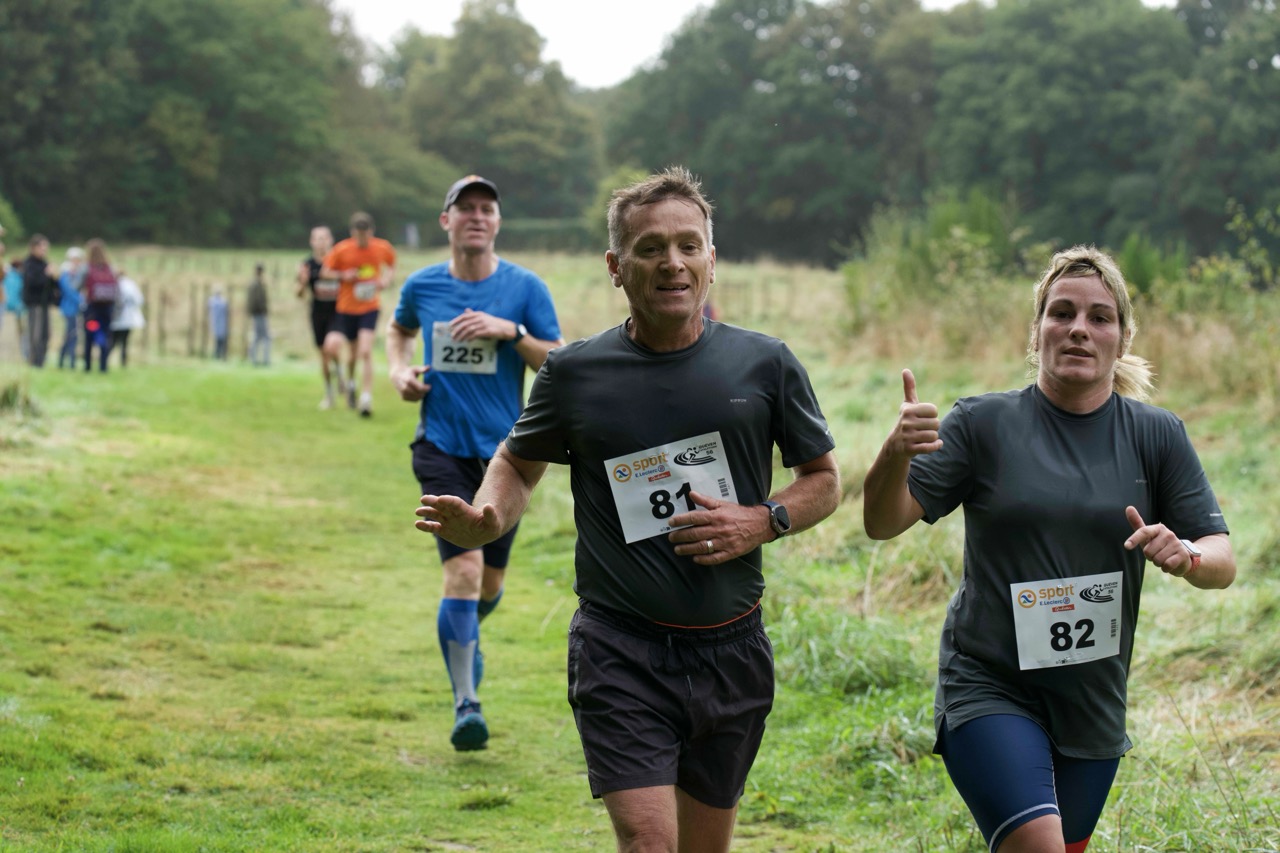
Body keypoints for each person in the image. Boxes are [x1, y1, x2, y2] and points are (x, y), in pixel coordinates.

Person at [414, 167, 841, 848]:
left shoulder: (765, 364)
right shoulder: (575, 373)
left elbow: (822, 479)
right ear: (616, 267)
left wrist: (763, 519)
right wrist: (489, 515)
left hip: (731, 650)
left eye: (688, 245)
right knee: (649, 843)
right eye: (650, 248)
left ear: (711, 260)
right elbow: (517, 463)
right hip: (619, 649)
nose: (672, 262)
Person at [861, 245, 1236, 853]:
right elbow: (883, 522)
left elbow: (1222, 561)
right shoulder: (982, 423)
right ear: (1036, 331)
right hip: (989, 683)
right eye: (1061, 313)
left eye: (1099, 317)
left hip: (1092, 702)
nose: (1079, 329)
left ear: (1123, 337)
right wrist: (895, 452)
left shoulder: (1157, 435)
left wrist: (1188, 554)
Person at [386, 175, 566, 752]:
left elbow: (559, 362)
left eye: (487, 208)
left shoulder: (525, 288)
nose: (477, 216)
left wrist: (510, 332)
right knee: (462, 573)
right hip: (440, 444)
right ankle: (467, 702)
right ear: (447, 221)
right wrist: (399, 371)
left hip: (506, 460)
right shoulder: (422, 284)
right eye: (465, 208)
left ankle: (463, 637)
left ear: (498, 222)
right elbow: (398, 330)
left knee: (488, 586)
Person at [322, 211, 396, 416]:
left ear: (371, 232)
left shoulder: (382, 247)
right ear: (352, 232)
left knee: (365, 350)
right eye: (358, 235)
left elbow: (391, 264)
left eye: (365, 235)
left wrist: (386, 280)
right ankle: (351, 382)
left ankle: (366, 398)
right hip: (346, 308)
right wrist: (343, 275)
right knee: (352, 355)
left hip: (370, 307)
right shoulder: (342, 249)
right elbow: (325, 272)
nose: (362, 239)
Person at [296, 225, 342, 408]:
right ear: (311, 242)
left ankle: (340, 372)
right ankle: (329, 394)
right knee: (323, 355)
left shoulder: (338, 261)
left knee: (332, 346)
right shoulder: (307, 265)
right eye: (317, 238)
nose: (321, 242)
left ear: (331, 240)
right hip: (317, 313)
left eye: (324, 238)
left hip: (338, 312)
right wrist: (302, 282)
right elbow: (299, 294)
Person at [80, 239, 120, 373]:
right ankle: (103, 366)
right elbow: (117, 289)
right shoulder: (110, 268)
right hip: (107, 309)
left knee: (90, 335)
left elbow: (78, 286)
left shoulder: (86, 268)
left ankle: (88, 366)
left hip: (92, 309)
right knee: (105, 334)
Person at [21, 234, 59, 367]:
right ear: (33, 247)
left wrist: (53, 277)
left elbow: (52, 285)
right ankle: (33, 361)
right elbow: (32, 283)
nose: (44, 251)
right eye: (42, 248)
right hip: (34, 304)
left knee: (45, 335)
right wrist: (46, 274)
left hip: (45, 304)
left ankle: (41, 361)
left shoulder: (44, 263)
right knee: (35, 335)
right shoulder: (29, 264)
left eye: (45, 248)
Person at [57, 246, 86, 369]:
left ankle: (68, 361)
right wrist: (81, 301)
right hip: (68, 309)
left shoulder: (79, 274)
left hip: (76, 309)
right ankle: (66, 360)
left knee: (74, 335)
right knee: (70, 334)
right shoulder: (65, 274)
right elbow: (69, 291)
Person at [111, 269, 145, 368]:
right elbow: (139, 300)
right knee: (124, 341)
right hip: (128, 318)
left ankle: (105, 359)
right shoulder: (130, 285)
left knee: (113, 341)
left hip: (114, 318)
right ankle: (123, 361)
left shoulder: (113, 283)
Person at [247, 262, 270, 367]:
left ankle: (255, 359)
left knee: (258, 337)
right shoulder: (256, 285)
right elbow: (256, 301)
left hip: (258, 314)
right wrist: (262, 311)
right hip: (259, 314)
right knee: (263, 337)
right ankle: (262, 359)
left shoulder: (257, 284)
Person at [209, 288, 229, 360]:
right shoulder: (222, 302)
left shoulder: (212, 301)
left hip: (217, 323)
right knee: (220, 341)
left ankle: (218, 355)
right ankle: (219, 355)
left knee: (218, 340)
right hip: (221, 323)